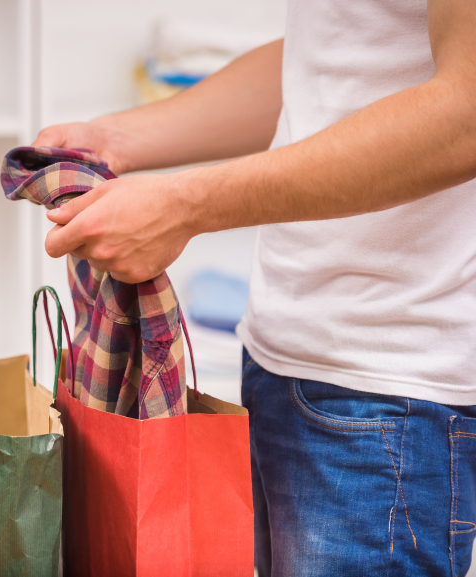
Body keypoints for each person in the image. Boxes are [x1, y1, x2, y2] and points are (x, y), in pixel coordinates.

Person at [32, 0, 476, 574]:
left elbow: (466, 114)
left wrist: (184, 205)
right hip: (282, 357)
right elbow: (333, 54)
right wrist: (115, 138)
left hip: (386, 395)